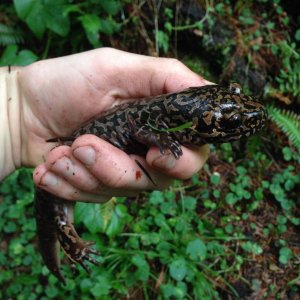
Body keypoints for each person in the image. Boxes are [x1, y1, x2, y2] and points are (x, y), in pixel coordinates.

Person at [0, 48, 210, 202]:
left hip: (57, 154)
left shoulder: (177, 112)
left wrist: (15, 112)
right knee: (53, 204)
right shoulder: (171, 112)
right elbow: (139, 128)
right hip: (60, 157)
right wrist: (15, 107)